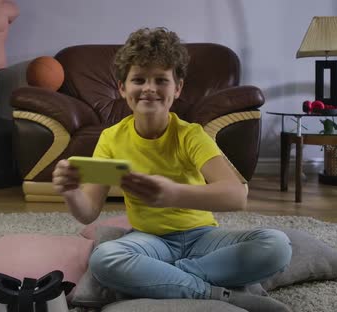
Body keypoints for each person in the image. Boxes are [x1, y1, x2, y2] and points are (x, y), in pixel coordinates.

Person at [52, 27, 292, 310]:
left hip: (202, 238)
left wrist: (172, 195)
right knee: (104, 258)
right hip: (149, 241)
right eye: (138, 79)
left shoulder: (190, 135)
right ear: (122, 88)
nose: (149, 88)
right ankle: (217, 295)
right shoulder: (111, 138)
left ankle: (165, 278)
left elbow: (235, 195)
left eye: (161, 80)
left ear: (177, 88)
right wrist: (70, 192)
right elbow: (88, 211)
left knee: (276, 246)